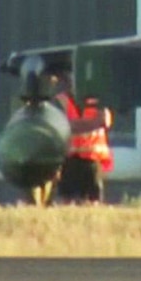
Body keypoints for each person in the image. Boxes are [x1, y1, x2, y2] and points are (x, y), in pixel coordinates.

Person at [52, 72, 114, 203]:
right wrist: (91, 124)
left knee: (93, 201)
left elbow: (105, 121)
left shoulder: (97, 99)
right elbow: (61, 125)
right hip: (69, 161)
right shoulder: (59, 101)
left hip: (92, 160)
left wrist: (75, 125)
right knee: (67, 201)